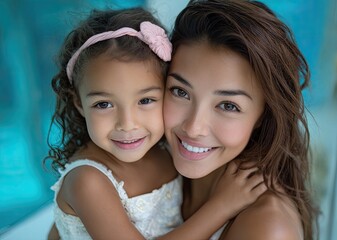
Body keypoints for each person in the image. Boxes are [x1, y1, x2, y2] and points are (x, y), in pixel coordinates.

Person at [45, 7, 266, 240]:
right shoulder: (88, 181)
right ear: (79, 103)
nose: (127, 124)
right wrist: (221, 206)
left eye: (146, 100)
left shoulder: (167, 153)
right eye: (103, 104)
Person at [163, 0, 318, 239]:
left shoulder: (266, 227)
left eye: (228, 106)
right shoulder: (153, 165)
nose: (194, 128)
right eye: (180, 92)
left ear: (262, 116)